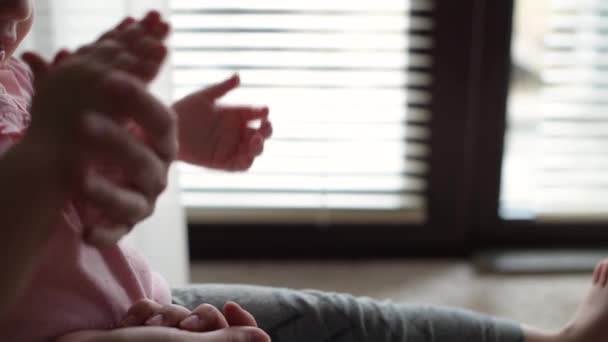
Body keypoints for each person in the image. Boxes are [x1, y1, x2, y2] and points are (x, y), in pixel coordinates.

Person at [1, 1, 608, 342]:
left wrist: (152, 135)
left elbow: (58, 188)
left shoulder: (10, 68)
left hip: (138, 303)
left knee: (354, 322)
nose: (20, 7)